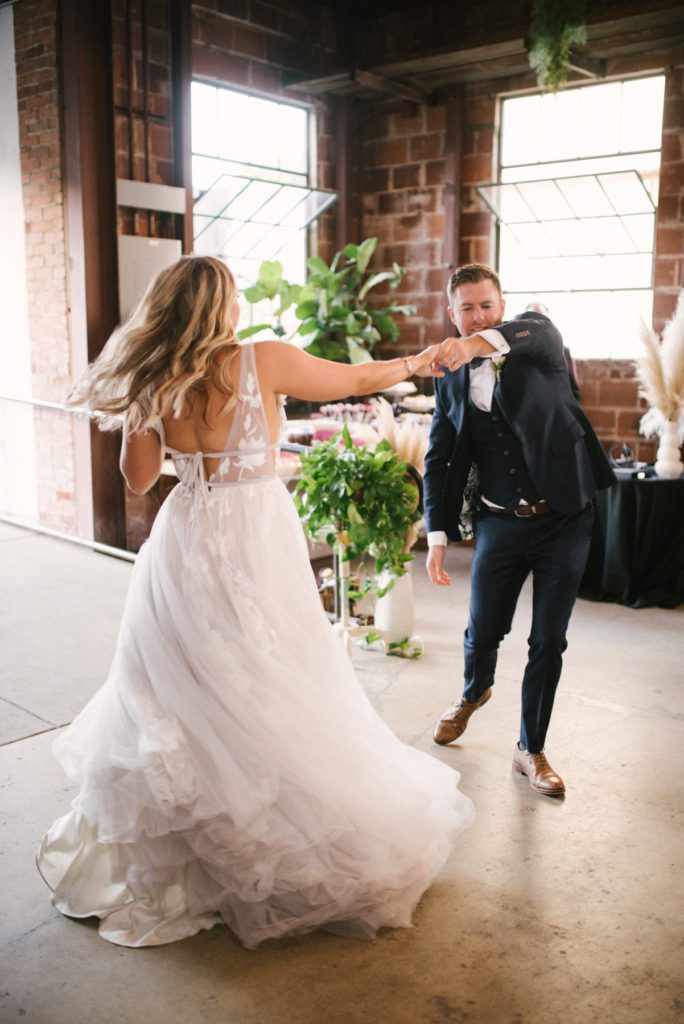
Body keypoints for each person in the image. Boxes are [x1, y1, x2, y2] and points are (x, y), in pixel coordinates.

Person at [36, 255, 474, 949]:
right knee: (274, 673)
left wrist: (143, 409)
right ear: (221, 308)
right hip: (256, 535)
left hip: (187, 534)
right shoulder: (261, 360)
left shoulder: (156, 379)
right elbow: (354, 380)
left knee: (182, 683)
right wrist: (422, 360)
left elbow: (140, 480)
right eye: (234, 295)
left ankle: (191, 851)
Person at [424, 264, 615, 796]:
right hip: (498, 522)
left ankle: (530, 748)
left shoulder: (537, 343)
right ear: (451, 312)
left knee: (548, 640)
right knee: (483, 629)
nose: (478, 315)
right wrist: (436, 537)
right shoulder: (450, 382)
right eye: (466, 308)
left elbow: (538, 330)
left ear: (501, 306)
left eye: (486, 304)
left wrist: (479, 343)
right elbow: (438, 459)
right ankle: (474, 690)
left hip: (564, 519)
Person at [525, 300, 582, 401]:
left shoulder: (564, 352)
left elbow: (574, 390)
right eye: (532, 318)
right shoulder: (515, 351)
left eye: (541, 318)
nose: (536, 323)